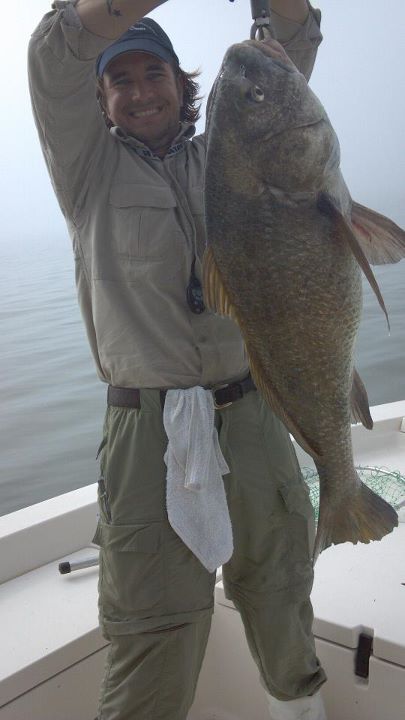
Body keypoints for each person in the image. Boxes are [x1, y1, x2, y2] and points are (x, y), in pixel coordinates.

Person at [28, 2, 327, 718]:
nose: (139, 91)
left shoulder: (235, 150)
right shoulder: (86, 170)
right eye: (119, 79)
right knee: (152, 626)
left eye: (153, 72)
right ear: (98, 100)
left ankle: (302, 708)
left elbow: (288, 45)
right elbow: (57, 54)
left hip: (253, 411)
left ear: (181, 82)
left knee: (279, 590)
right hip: (146, 431)